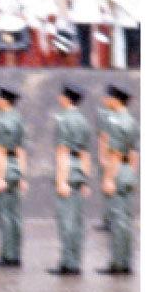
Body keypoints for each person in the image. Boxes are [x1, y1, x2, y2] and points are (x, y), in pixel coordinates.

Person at [48, 83, 91, 276]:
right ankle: (75, 261)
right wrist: (85, 180)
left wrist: (61, 180)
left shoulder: (63, 119)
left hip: (67, 170)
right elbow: (85, 153)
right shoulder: (83, 121)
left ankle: (67, 262)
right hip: (79, 171)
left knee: (66, 221)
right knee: (77, 221)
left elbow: (62, 152)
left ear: (66, 98)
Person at [98, 84, 138, 275]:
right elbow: (134, 153)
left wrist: (109, 179)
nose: (108, 101)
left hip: (117, 170)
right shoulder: (132, 121)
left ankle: (117, 263)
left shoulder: (115, 122)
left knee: (117, 219)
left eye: (110, 98)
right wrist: (131, 173)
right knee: (126, 219)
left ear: (116, 100)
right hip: (128, 170)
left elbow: (114, 154)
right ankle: (126, 262)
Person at [0, 85, 26, 268]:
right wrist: (22, 175)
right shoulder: (18, 119)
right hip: (15, 168)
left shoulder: (1, 121)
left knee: (4, 215)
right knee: (14, 215)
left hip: (4, 168)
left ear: (4, 101)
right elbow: (20, 149)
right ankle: (15, 253)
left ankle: (7, 255)